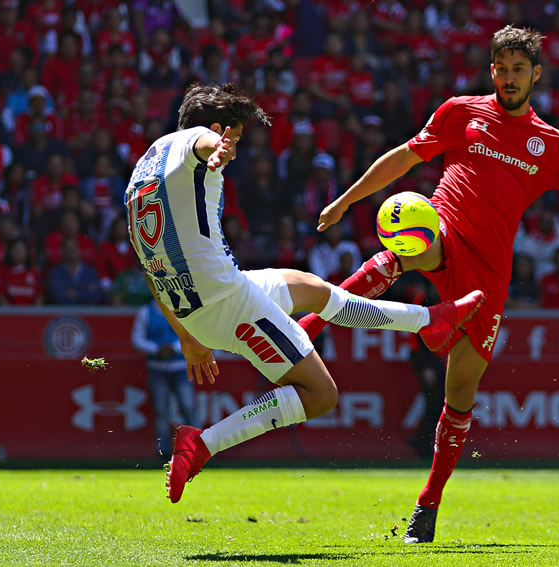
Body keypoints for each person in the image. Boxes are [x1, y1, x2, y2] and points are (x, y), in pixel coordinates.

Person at [297, 25, 559, 544]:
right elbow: (404, 156)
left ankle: (426, 508)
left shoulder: (552, 145)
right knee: (411, 235)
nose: (509, 78)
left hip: (488, 274)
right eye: (501, 68)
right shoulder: (460, 112)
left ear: (536, 74)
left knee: (460, 392)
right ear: (491, 70)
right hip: (442, 228)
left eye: (519, 69)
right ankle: (310, 327)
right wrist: (349, 200)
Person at [124, 83, 484, 504]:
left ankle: (428, 323)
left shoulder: (144, 168)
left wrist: (187, 336)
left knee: (310, 288)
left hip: (204, 299)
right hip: (225, 303)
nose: (235, 151)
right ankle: (203, 444)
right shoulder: (199, 142)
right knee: (320, 395)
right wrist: (216, 148)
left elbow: (149, 270)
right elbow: (206, 144)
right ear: (218, 129)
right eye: (235, 139)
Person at [132, 299, 195, 460]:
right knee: (161, 411)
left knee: (188, 407)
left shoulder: (182, 309)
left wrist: (173, 348)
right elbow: (137, 338)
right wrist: (155, 349)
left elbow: (191, 333)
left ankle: (196, 449)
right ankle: (163, 452)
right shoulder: (146, 312)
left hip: (181, 366)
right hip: (157, 368)